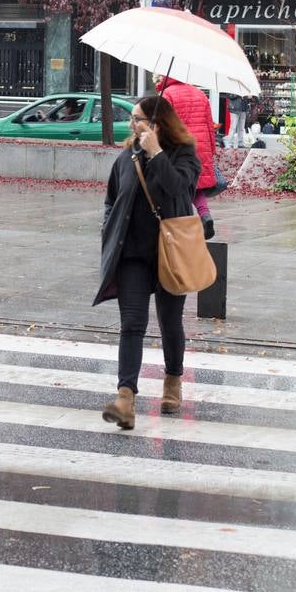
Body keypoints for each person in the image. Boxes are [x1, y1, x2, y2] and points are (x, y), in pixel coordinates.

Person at [96, 96, 202, 429]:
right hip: (132, 255)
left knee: (170, 322)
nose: (132, 124)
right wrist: (108, 229)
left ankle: (173, 380)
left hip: (170, 253)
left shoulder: (184, 154)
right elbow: (111, 199)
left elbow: (178, 189)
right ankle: (125, 398)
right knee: (132, 323)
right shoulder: (127, 156)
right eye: (132, 118)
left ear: (157, 123)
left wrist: (156, 153)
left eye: (137, 118)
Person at [154, 73, 218, 238]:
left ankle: (184, 225)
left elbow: (163, 125)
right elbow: (210, 126)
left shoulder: (167, 94)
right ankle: (205, 215)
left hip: (178, 148)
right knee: (195, 185)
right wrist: (211, 150)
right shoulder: (200, 94)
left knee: (179, 187)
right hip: (201, 146)